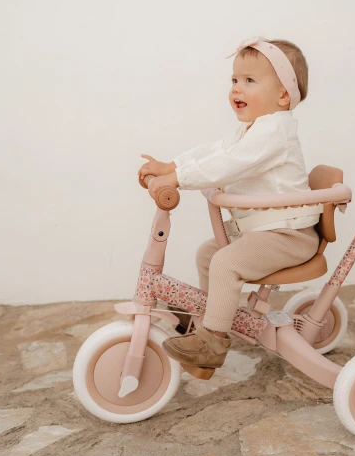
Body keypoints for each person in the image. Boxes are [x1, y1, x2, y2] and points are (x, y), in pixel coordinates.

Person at [137, 38, 320, 380]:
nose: (237, 88)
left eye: (250, 80)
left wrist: (177, 179)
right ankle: (207, 326)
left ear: (283, 95)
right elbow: (217, 152)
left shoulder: (274, 133)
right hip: (265, 233)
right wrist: (172, 166)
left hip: (289, 236)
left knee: (225, 262)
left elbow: (229, 165)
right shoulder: (252, 130)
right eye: (235, 79)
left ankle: (211, 342)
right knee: (209, 255)